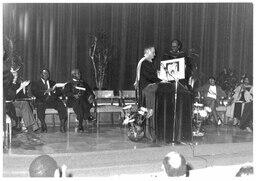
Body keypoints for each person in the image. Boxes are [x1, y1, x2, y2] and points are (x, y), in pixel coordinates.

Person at [134, 46, 163, 142]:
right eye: (153, 52)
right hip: (148, 89)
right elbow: (150, 77)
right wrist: (161, 80)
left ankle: (151, 133)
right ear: (148, 52)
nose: (155, 54)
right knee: (150, 110)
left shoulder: (146, 62)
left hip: (147, 88)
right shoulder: (145, 62)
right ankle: (149, 133)